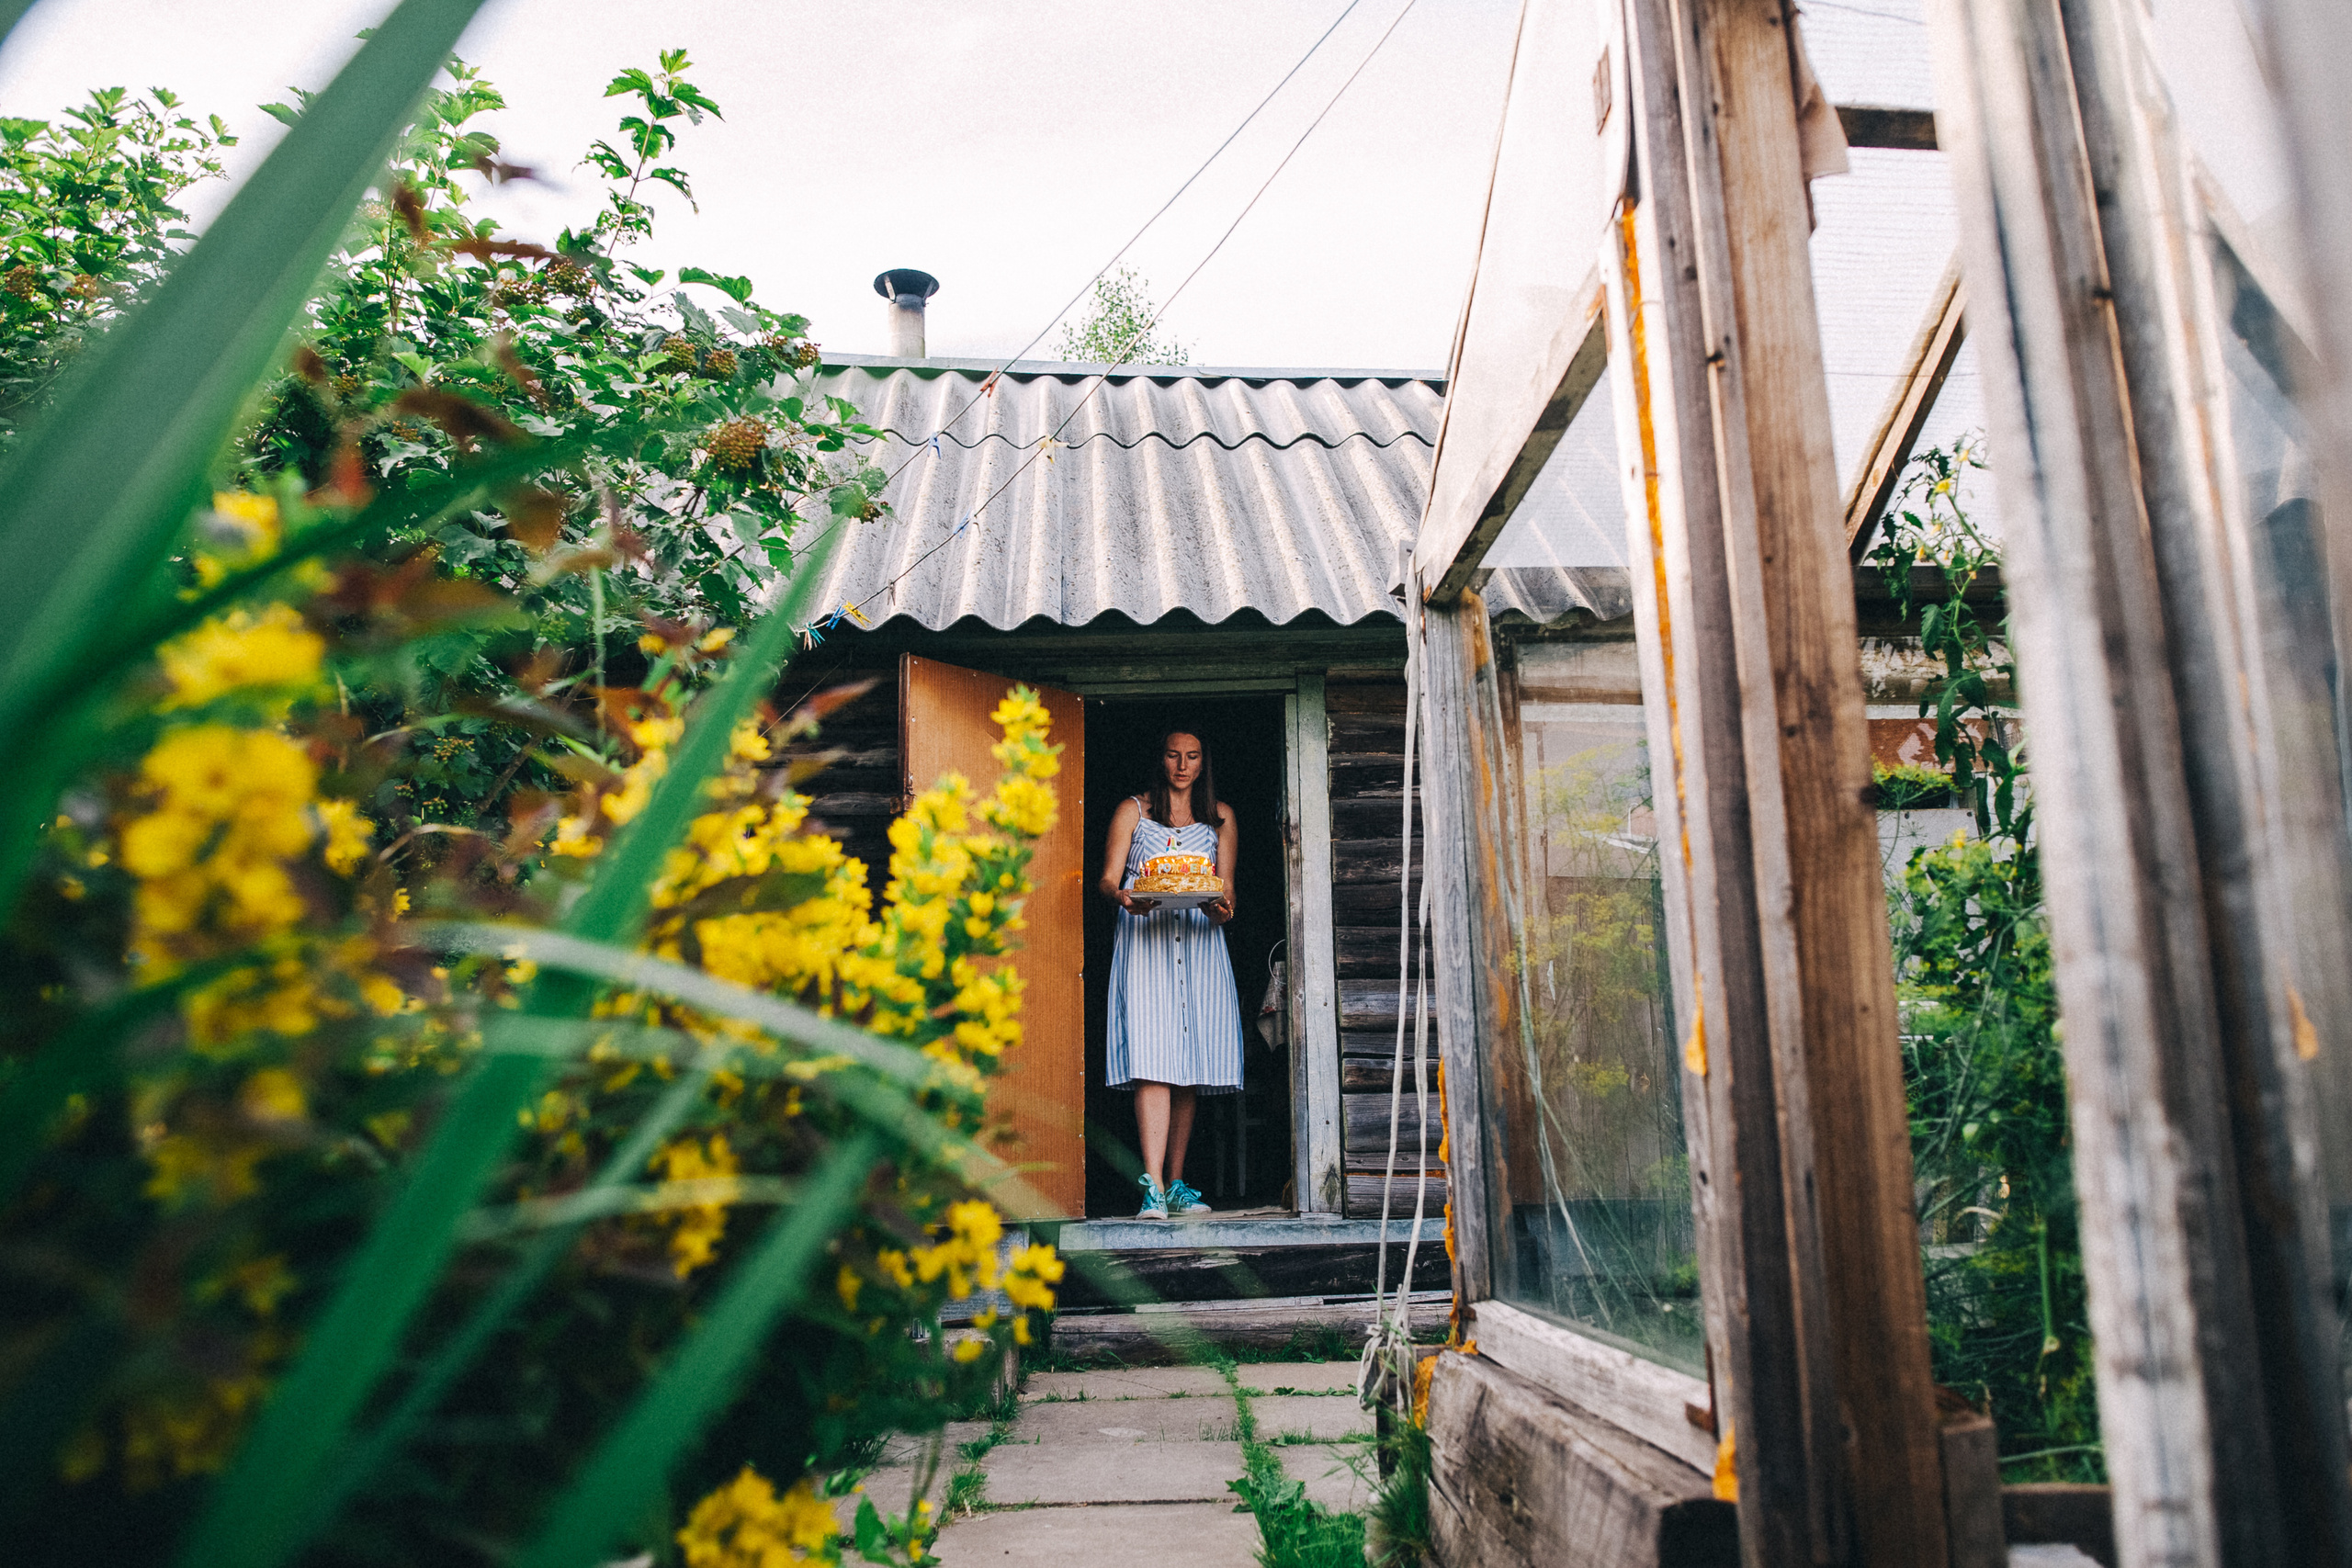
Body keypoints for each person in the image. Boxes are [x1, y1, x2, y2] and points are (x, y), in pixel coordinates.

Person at [1101, 728, 1240, 1220]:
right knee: (1153, 1058)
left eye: (1193, 756)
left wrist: (1220, 910)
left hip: (1200, 947)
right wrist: (1125, 898)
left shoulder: (1220, 818)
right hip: (1145, 945)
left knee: (1190, 1062)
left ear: (1203, 763)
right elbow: (1108, 878)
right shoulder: (1133, 812)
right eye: (1174, 755)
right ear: (1160, 760)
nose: (1183, 765)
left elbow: (1226, 894)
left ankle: (1177, 1183)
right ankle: (1153, 1187)